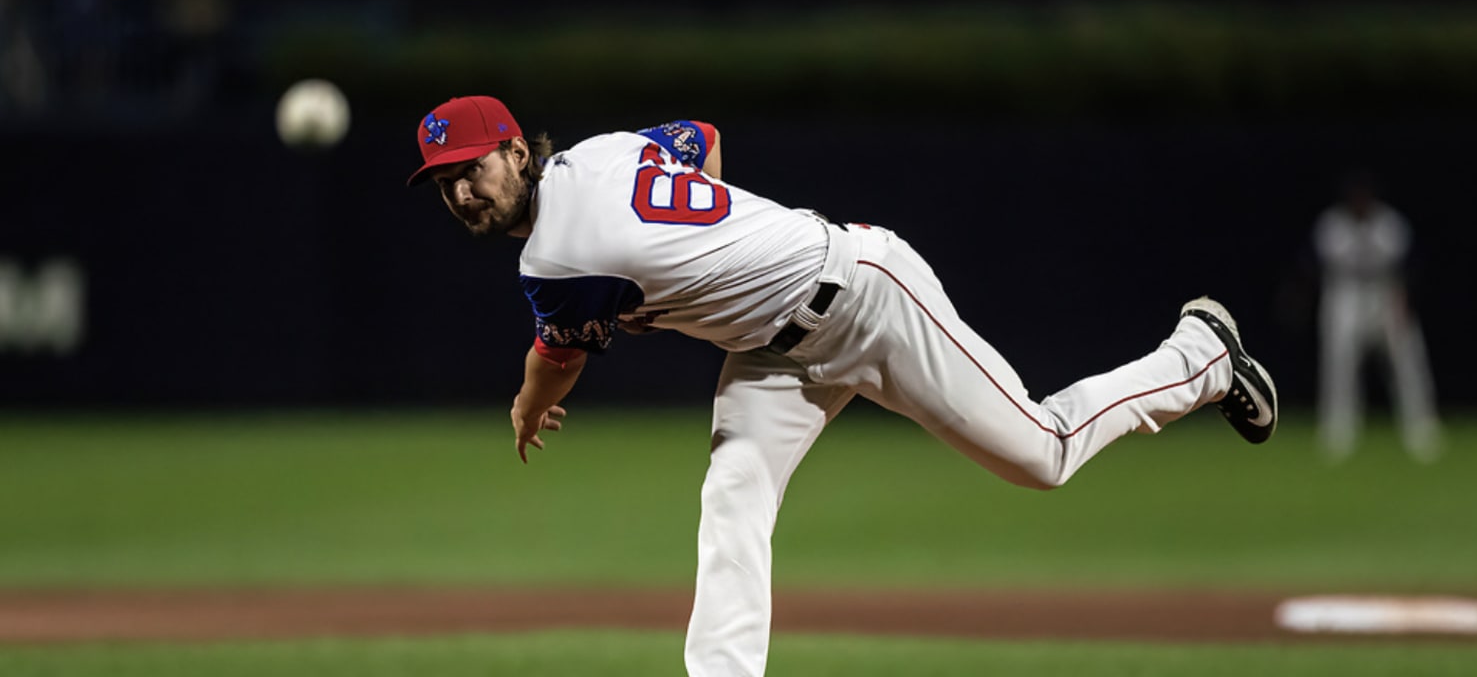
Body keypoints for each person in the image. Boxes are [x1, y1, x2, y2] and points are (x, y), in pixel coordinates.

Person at [407, 95, 1278, 677]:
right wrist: (714, 237)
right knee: (733, 494)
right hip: (771, 353)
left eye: (474, 169)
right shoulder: (601, 155)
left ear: (518, 151)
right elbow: (695, 138)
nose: (462, 193)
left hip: (865, 296)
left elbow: (554, 359)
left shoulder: (555, 255)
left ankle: (1198, 356)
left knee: (1041, 455)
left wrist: (527, 407)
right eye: (446, 184)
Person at [1312, 169, 1442, 464]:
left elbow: (1408, 267)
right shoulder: (1332, 225)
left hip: (1384, 293)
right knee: (1339, 364)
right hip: (1345, 294)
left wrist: (1403, 299)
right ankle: (1338, 432)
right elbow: (1317, 268)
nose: (1360, 202)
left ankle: (1421, 429)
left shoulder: (1390, 224)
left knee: (1408, 361)